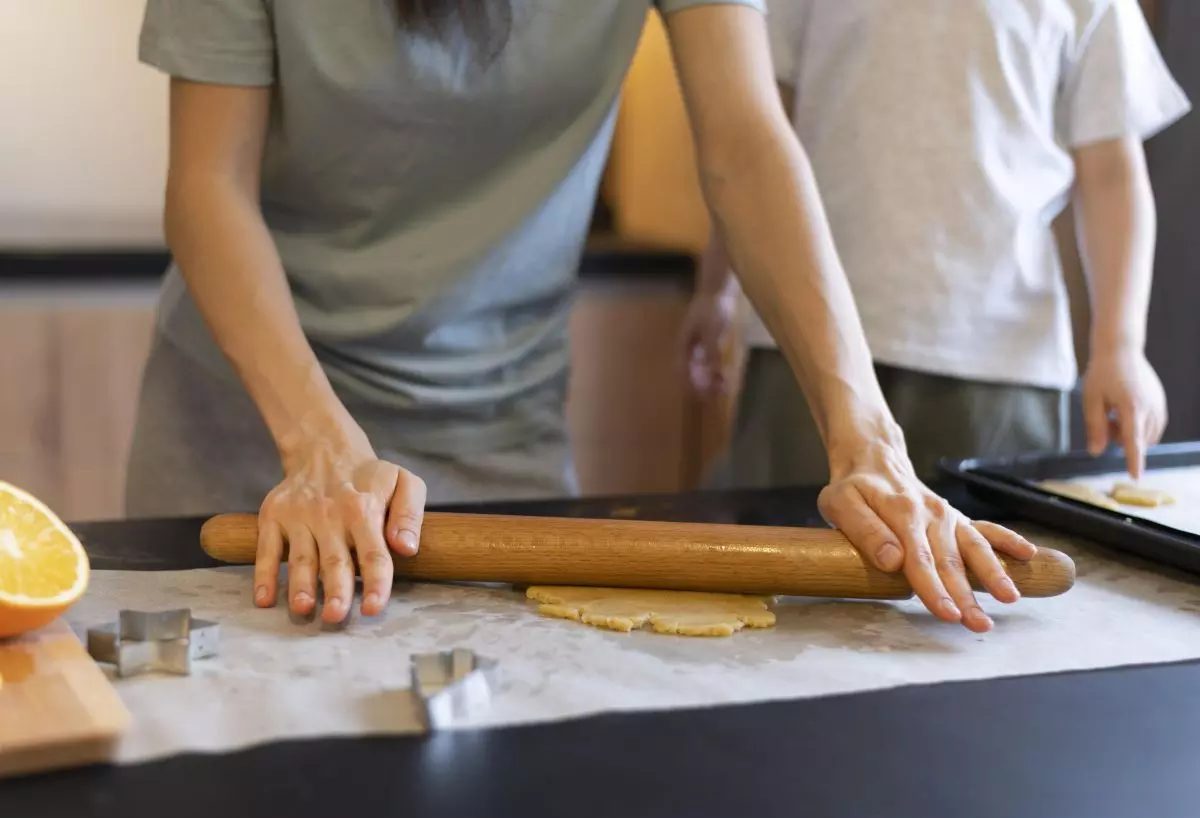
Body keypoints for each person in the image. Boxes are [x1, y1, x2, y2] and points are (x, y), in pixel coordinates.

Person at [127, 0, 1037, 635]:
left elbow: (747, 145)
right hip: (259, 422)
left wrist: (869, 441)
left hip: (496, 420)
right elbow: (209, 185)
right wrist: (318, 445)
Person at [687, 0, 1190, 490]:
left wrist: (1120, 347)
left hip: (998, 360)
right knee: (786, 556)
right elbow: (755, 134)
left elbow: (1112, 177)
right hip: (803, 340)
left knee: (984, 562)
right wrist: (718, 289)